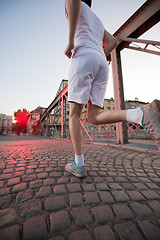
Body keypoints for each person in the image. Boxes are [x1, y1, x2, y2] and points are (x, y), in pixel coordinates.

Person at [64, 0, 160, 178]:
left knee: (74, 114)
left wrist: (70, 42)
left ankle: (79, 163)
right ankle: (141, 114)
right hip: (101, 62)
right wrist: (101, 54)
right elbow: (113, 41)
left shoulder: (72, 4)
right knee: (94, 116)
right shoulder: (97, 20)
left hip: (84, 56)